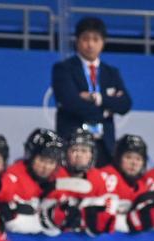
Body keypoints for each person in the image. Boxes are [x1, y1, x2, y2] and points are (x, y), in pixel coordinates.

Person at [52, 16, 132, 167]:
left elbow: (125, 104)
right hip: (72, 144)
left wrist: (97, 98)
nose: (90, 44)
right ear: (77, 41)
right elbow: (71, 103)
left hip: (104, 145)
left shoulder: (111, 72)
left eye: (96, 39)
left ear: (103, 42)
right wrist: (106, 111)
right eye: (85, 39)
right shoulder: (63, 69)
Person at [40, 128, 115, 235]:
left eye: (84, 151)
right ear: (66, 153)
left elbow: (106, 216)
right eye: (74, 150)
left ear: (91, 155)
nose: (79, 155)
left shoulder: (99, 178)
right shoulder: (53, 175)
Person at [99, 134, 154, 233]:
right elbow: (101, 220)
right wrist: (129, 223)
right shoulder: (105, 177)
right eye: (128, 157)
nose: (134, 163)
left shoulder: (144, 185)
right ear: (118, 158)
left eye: (138, 159)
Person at [3, 128, 64, 233]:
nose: (46, 167)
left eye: (51, 162)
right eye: (42, 160)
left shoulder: (59, 179)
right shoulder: (12, 177)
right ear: (30, 156)